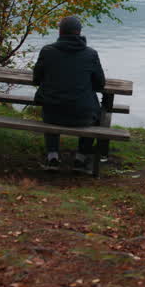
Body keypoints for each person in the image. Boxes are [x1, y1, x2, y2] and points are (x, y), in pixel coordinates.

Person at [32, 15, 106, 171]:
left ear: (60, 32)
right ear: (79, 33)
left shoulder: (47, 51)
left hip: (52, 114)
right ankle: (81, 158)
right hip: (83, 116)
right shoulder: (91, 54)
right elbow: (100, 84)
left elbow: (36, 79)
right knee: (95, 109)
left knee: (51, 103)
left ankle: (52, 157)